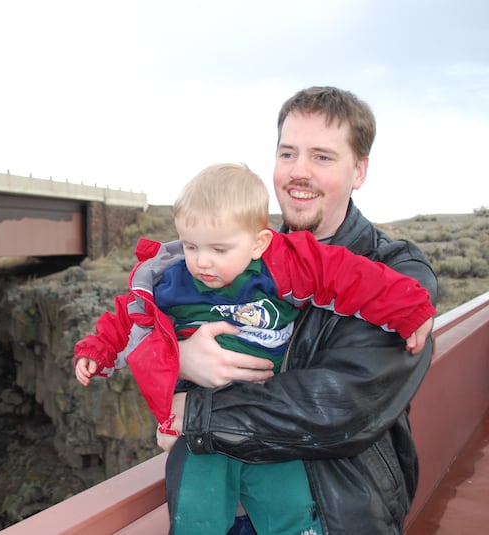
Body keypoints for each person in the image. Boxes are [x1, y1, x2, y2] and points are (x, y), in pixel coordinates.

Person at [74, 162, 435, 534]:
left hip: (266, 423)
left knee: (292, 509)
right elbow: (128, 318)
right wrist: (98, 352)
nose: (201, 261)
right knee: (196, 513)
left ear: (258, 243)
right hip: (201, 429)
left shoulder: (282, 265)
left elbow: (346, 275)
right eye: (191, 245)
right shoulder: (171, 281)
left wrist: (407, 308)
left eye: (219, 249)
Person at [161, 87, 439, 535]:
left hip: (339, 512)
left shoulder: (396, 276)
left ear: (359, 171)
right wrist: (178, 356)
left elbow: (341, 404)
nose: (298, 172)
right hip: (229, 508)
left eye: (322, 157)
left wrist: (197, 415)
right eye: (287, 153)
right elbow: (154, 328)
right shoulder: (236, 257)